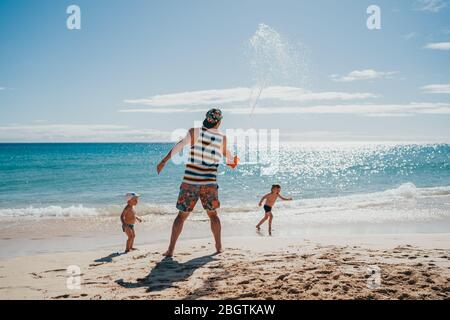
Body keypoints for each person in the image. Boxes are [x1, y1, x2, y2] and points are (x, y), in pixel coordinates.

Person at [157, 108, 238, 257]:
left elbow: (178, 147)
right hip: (209, 183)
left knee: (181, 216)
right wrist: (233, 162)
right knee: (213, 215)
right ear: (219, 122)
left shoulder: (194, 132)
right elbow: (229, 159)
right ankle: (219, 247)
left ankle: (170, 250)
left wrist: (163, 161)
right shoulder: (223, 138)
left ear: (206, 119)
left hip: (190, 182)